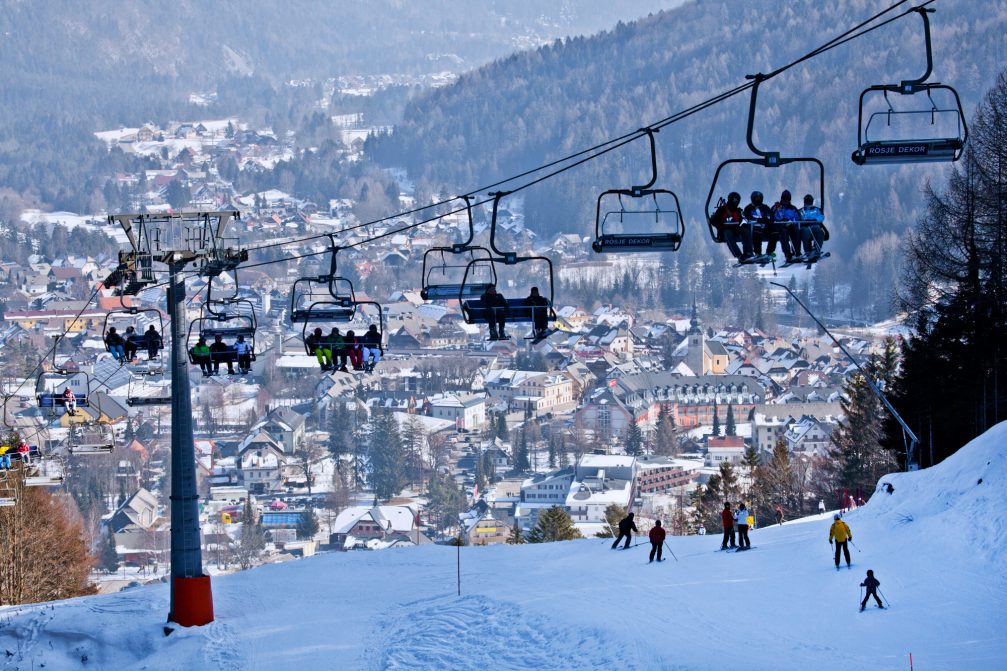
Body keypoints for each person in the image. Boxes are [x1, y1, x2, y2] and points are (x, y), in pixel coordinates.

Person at [711, 192, 755, 262]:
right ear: (730, 199)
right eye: (735, 200)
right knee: (728, 233)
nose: (736, 202)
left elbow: (743, 220)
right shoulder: (722, 210)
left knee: (745, 231)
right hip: (724, 231)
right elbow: (714, 221)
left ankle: (748, 253)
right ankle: (739, 256)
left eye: (737, 201)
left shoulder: (738, 211)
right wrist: (721, 222)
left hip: (736, 230)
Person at [770, 190, 799, 264]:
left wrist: (791, 221)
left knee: (795, 231)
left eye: (787, 198)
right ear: (782, 198)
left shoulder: (793, 208)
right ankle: (787, 254)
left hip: (790, 225)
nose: (786, 200)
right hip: (780, 226)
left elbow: (797, 217)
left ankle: (797, 251)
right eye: (784, 198)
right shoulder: (777, 206)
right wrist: (780, 221)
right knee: (784, 233)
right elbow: (771, 216)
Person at [743, 191, 774, 258]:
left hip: (765, 228)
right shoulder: (748, 208)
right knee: (757, 232)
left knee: (774, 232)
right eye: (757, 198)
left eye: (760, 198)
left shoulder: (765, 208)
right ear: (753, 198)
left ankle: (769, 252)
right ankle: (758, 253)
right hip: (754, 227)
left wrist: (767, 220)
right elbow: (747, 217)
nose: (758, 200)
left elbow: (770, 216)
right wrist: (757, 220)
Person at [797, 194, 826, 261]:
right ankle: (807, 251)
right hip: (805, 226)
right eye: (807, 201)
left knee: (820, 231)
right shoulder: (801, 210)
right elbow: (798, 218)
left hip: (814, 225)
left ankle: (816, 250)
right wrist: (803, 220)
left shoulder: (817, 209)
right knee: (805, 232)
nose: (808, 202)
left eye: (809, 201)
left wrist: (815, 220)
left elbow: (821, 217)